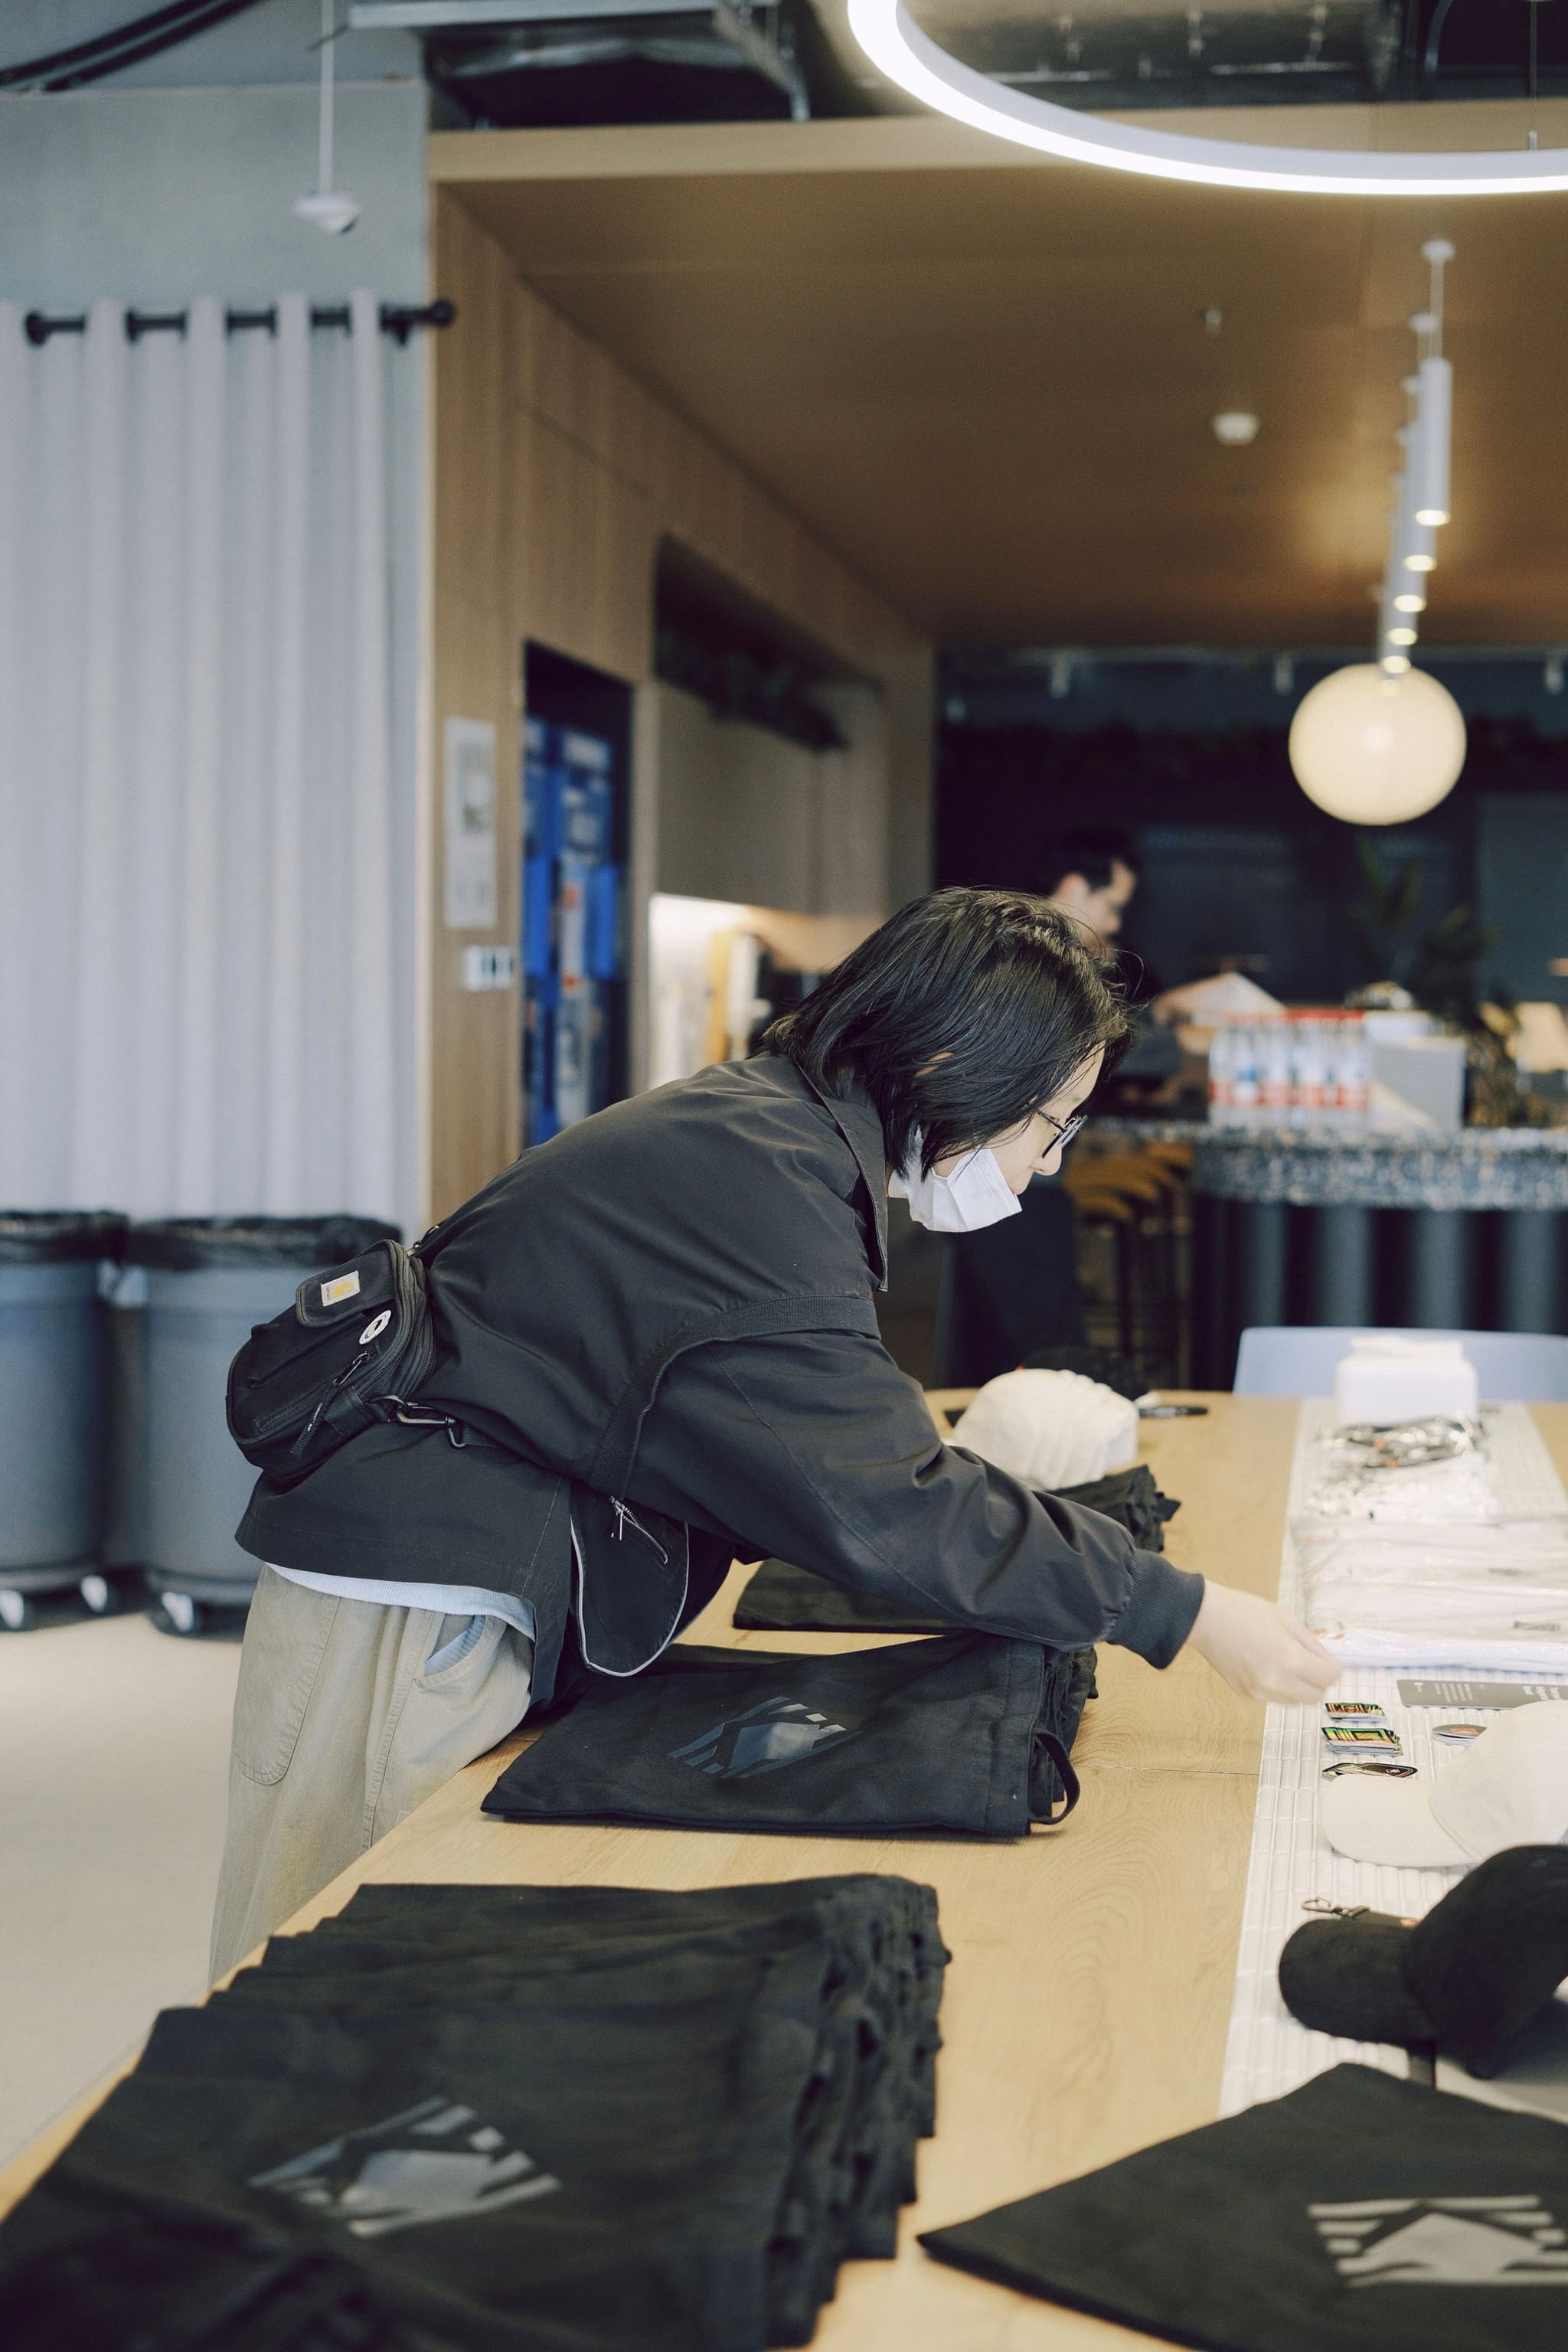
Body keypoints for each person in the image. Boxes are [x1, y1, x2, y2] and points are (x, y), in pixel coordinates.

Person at [211, 888, 1337, 1975]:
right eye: (1051, 1125)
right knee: (325, 1979)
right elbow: (889, 1501)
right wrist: (1182, 1609)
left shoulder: (768, 1132)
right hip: (412, 1606)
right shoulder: (760, 1189)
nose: (1050, 1163)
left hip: (451, 1575)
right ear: (951, 1063)